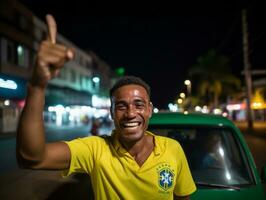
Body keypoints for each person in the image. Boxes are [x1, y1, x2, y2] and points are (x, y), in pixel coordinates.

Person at [16, 14, 196, 200]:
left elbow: (183, 198)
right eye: (121, 106)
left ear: (149, 109)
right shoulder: (96, 150)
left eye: (138, 104)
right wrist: (37, 86)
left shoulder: (173, 149)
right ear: (111, 113)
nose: (131, 113)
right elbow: (31, 158)